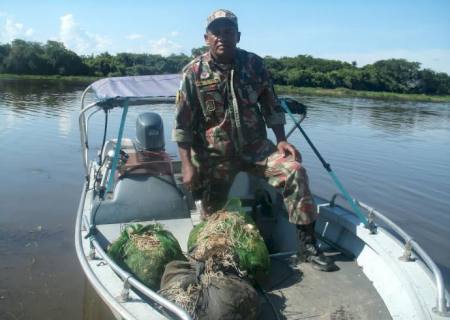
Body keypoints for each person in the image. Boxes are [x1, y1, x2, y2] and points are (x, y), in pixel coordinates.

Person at [173, 9, 335, 271]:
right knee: (213, 215)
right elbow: (182, 125)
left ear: (238, 36)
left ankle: (307, 247)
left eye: (228, 32)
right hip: (214, 155)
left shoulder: (255, 65)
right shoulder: (193, 72)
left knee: (295, 171)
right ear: (207, 38)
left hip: (256, 149)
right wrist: (187, 165)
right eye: (217, 33)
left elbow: (271, 106)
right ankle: (214, 253)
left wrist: (281, 140)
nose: (222, 37)